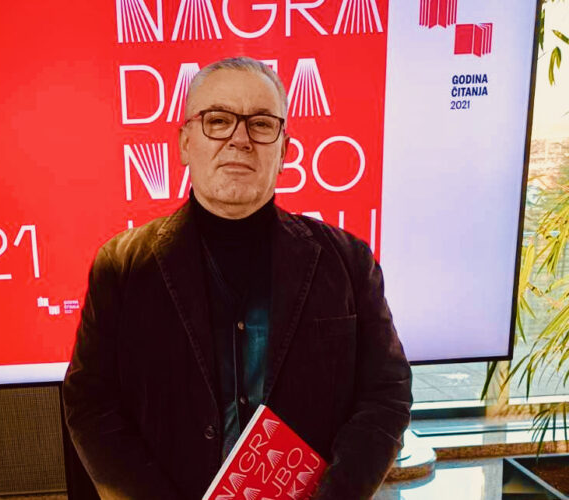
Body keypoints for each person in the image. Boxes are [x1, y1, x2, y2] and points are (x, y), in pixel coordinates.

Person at [62, 56, 412, 500]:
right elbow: (91, 403)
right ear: (185, 143)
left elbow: (386, 393)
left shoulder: (347, 261)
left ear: (284, 150)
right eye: (218, 120)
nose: (240, 139)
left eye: (261, 124)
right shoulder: (121, 266)